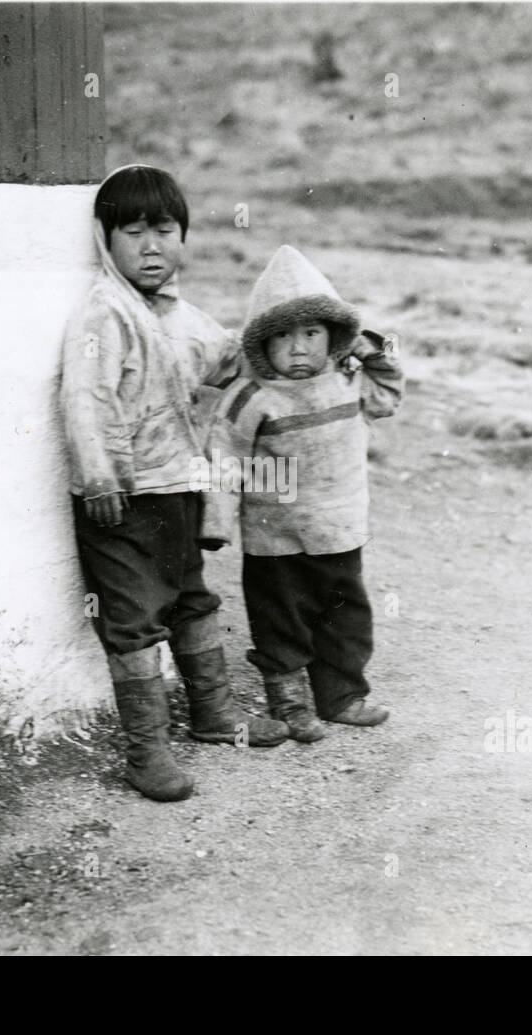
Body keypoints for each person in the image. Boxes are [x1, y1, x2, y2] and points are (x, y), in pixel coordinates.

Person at [59, 165, 289, 803]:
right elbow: (86, 399)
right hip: (123, 501)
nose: (151, 245)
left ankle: (214, 714)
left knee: (192, 600)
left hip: (180, 492)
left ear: (184, 238)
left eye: (165, 230)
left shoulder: (184, 318)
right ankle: (147, 751)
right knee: (134, 619)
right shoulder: (104, 317)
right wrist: (99, 476)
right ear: (106, 241)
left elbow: (227, 356)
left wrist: (300, 345)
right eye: (133, 232)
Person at [201, 244, 403, 741]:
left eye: (312, 334)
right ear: (260, 345)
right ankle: (289, 702)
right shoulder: (252, 397)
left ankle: (342, 695)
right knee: (280, 620)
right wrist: (216, 523)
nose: (298, 349)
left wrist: (368, 349)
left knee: (344, 616)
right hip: (276, 538)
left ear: (334, 337)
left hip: (339, 529)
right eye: (283, 336)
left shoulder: (348, 384)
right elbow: (224, 457)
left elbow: (389, 393)